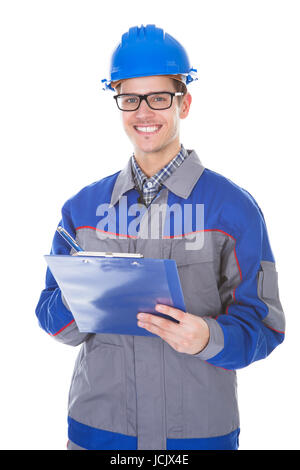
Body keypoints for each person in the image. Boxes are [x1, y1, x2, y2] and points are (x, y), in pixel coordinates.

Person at [35, 24, 285, 451]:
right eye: (130, 98)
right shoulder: (81, 209)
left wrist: (208, 338)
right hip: (99, 430)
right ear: (118, 103)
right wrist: (82, 301)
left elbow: (265, 325)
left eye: (159, 97)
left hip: (200, 436)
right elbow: (51, 316)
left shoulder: (233, 209)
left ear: (184, 103)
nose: (144, 112)